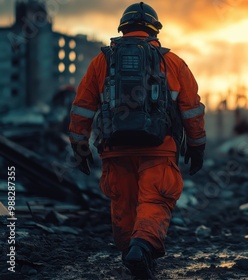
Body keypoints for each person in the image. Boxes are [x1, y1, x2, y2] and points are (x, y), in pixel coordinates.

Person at [69, 2, 206, 278]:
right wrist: (197, 145)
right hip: (159, 148)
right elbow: (191, 109)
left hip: (115, 148)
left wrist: (80, 146)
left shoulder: (102, 61)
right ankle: (141, 247)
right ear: (155, 30)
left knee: (123, 202)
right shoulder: (172, 62)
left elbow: (82, 107)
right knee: (155, 199)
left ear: (122, 28)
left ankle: (130, 251)